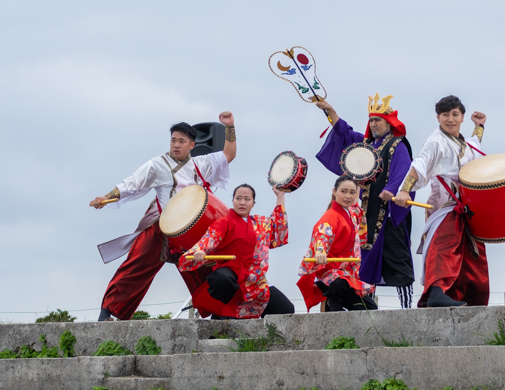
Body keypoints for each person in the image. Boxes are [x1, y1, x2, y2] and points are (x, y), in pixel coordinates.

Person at [89, 113, 236, 321]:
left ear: (192, 145)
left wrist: (230, 127)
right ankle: (108, 312)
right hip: (161, 223)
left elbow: (229, 154)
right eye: (173, 140)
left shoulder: (201, 164)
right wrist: (106, 197)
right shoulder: (157, 165)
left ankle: (216, 312)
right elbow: (132, 183)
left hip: (190, 228)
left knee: (202, 266)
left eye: (181, 141)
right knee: (138, 263)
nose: (176, 145)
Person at [315, 94, 415, 308]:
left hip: (386, 215)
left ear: (389, 123)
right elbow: (345, 133)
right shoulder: (366, 144)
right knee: (364, 263)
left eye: (377, 120)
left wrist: (391, 190)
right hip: (363, 217)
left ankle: (407, 309)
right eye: (371, 120)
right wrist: (331, 113)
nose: (373, 124)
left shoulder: (398, 145)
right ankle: (366, 307)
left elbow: (404, 171)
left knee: (398, 263)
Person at [395, 96, 490, 308]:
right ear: (438, 117)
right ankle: (436, 292)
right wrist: (404, 190)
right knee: (444, 247)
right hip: (445, 207)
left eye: (455, 114)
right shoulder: (435, 141)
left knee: (470, 255)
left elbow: (474, 144)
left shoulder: (462, 141)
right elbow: (419, 165)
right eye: (445, 115)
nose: (450, 119)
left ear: (462, 117)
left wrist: (480, 125)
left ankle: (464, 297)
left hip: (465, 207)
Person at [178, 184, 294, 319]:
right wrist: (201, 251)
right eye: (238, 198)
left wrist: (280, 196)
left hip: (255, 281)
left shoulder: (262, 223)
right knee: (221, 279)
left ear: (253, 203)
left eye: (247, 199)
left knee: (286, 309)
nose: (242, 202)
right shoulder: (224, 223)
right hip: (231, 276)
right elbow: (210, 239)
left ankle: (254, 328)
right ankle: (225, 313)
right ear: (233, 201)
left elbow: (278, 227)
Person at [297, 175, 378, 312]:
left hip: (347, 273)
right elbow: (322, 234)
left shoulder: (352, 212)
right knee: (338, 284)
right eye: (343, 191)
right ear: (334, 192)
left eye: (352, 192)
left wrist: (359, 177)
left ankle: (334, 298)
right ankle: (330, 298)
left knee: (370, 308)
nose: (348, 196)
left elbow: (357, 208)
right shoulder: (331, 216)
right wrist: (321, 251)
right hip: (331, 272)